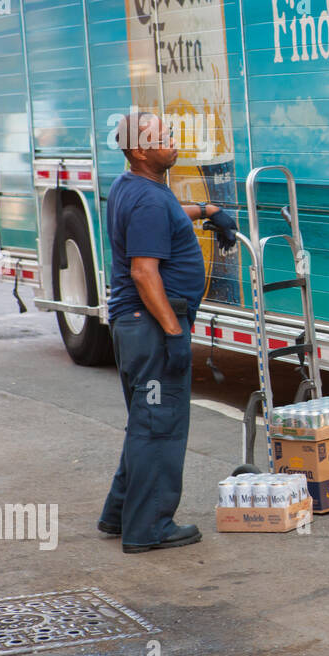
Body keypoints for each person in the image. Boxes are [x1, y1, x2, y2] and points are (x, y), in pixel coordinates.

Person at [97, 110, 237, 553]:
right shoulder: (148, 199)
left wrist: (207, 210)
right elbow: (144, 273)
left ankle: (120, 515)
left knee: (145, 422)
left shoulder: (132, 187)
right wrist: (175, 333)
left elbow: (166, 213)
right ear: (140, 150)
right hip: (152, 327)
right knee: (159, 427)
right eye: (164, 136)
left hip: (138, 327)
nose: (173, 141)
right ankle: (149, 528)